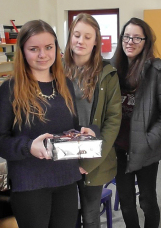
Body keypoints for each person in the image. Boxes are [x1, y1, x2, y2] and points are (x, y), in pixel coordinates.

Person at [0, 19, 98, 228]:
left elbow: (70, 127)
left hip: (65, 179)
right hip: (30, 183)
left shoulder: (64, 84)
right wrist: (28, 147)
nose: (42, 55)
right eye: (33, 49)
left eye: (48, 47)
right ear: (22, 51)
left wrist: (82, 134)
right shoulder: (9, 90)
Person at [112, 17, 161, 228]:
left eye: (137, 38)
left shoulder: (156, 71)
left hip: (147, 149)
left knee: (147, 201)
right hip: (119, 149)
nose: (130, 42)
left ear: (145, 42)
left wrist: (149, 140)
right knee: (126, 202)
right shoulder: (112, 70)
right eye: (127, 36)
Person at [63, 13, 122, 228]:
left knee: (90, 217)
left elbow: (113, 121)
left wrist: (91, 161)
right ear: (70, 37)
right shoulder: (55, 70)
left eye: (88, 36)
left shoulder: (108, 74)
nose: (81, 41)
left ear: (96, 41)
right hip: (61, 158)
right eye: (77, 35)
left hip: (94, 158)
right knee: (64, 216)